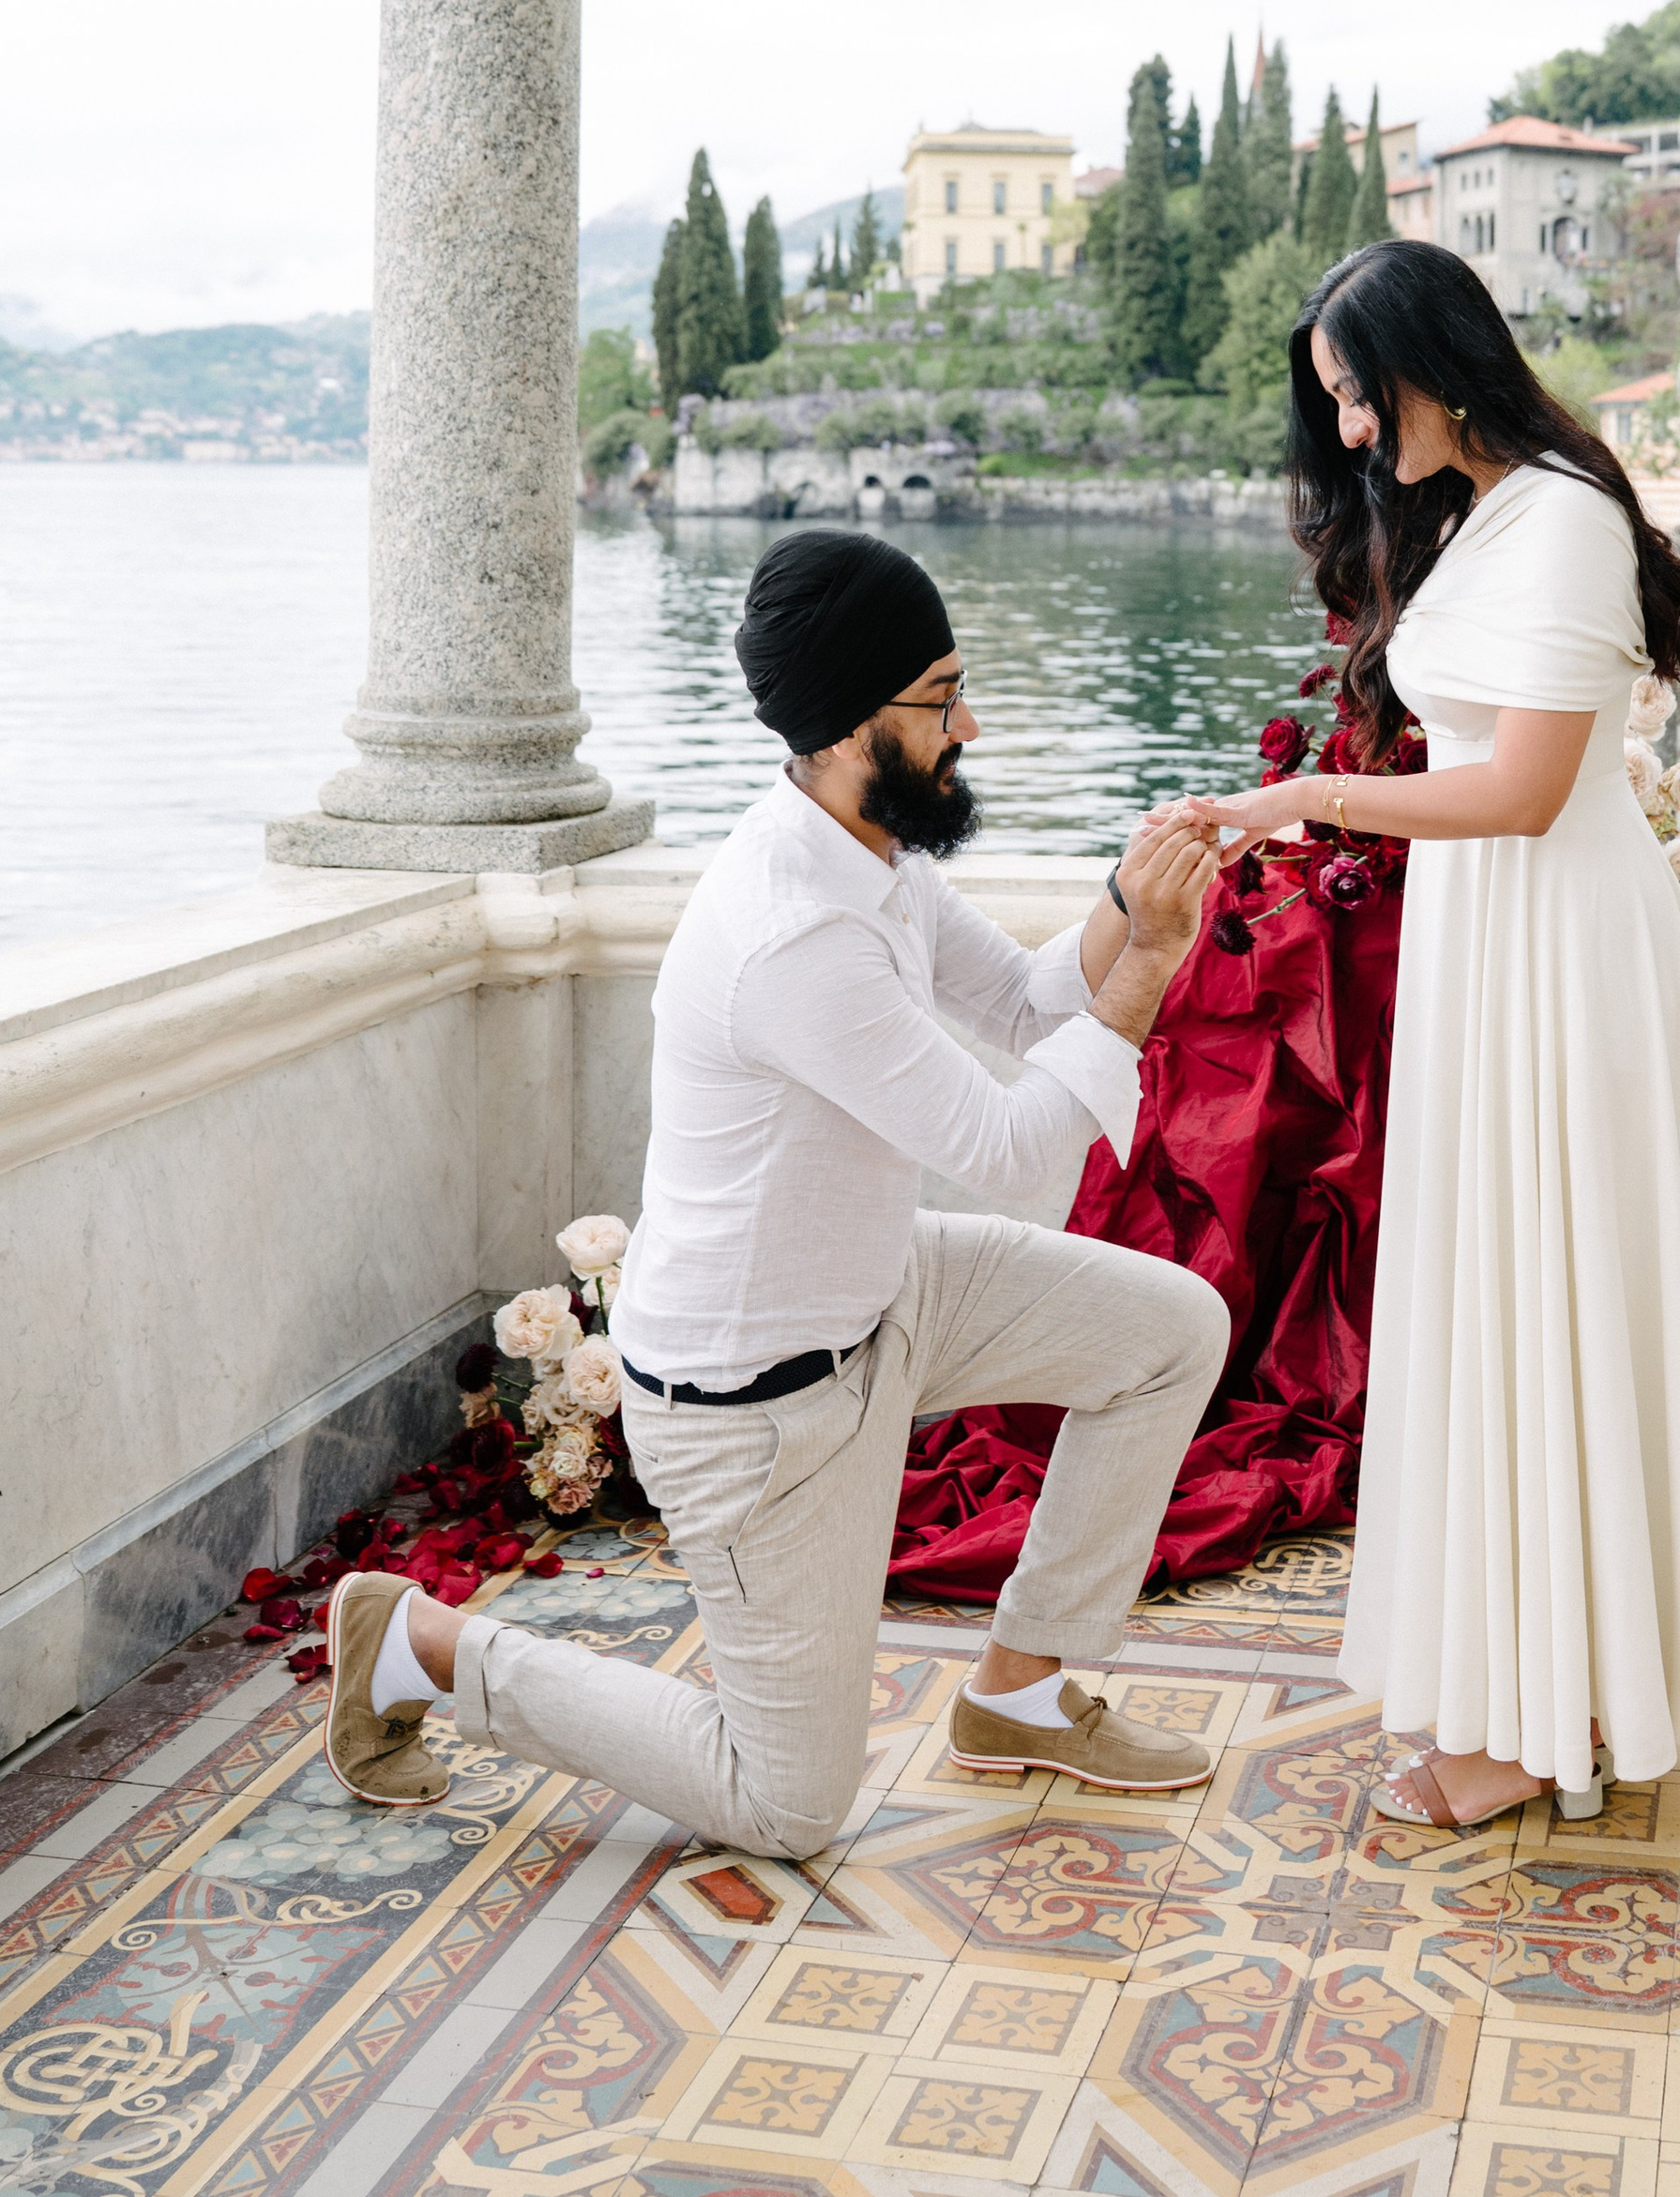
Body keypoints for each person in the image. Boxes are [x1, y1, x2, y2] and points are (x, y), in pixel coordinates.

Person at [322, 525, 1231, 1854]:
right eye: (940, 698)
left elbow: (1031, 1003)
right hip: (756, 1408)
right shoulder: (798, 932)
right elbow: (1018, 1152)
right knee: (786, 1805)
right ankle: (417, 1644)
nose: (968, 720)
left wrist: (1131, 893)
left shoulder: (870, 849)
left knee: (1170, 1333)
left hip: (884, 1291)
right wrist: (1150, 959)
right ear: (854, 724)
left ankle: (1023, 1693)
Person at [1183, 239, 1680, 1831]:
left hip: (1559, 949)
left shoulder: (1566, 521)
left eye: (1358, 400)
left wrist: (1305, 795)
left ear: (1434, 362)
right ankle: (1539, 1682)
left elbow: (1523, 790)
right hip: (1492, 943)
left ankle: (1553, 1718)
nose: (1358, 437)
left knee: (1560, 1301)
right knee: (1512, 1303)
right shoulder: (1498, 518)